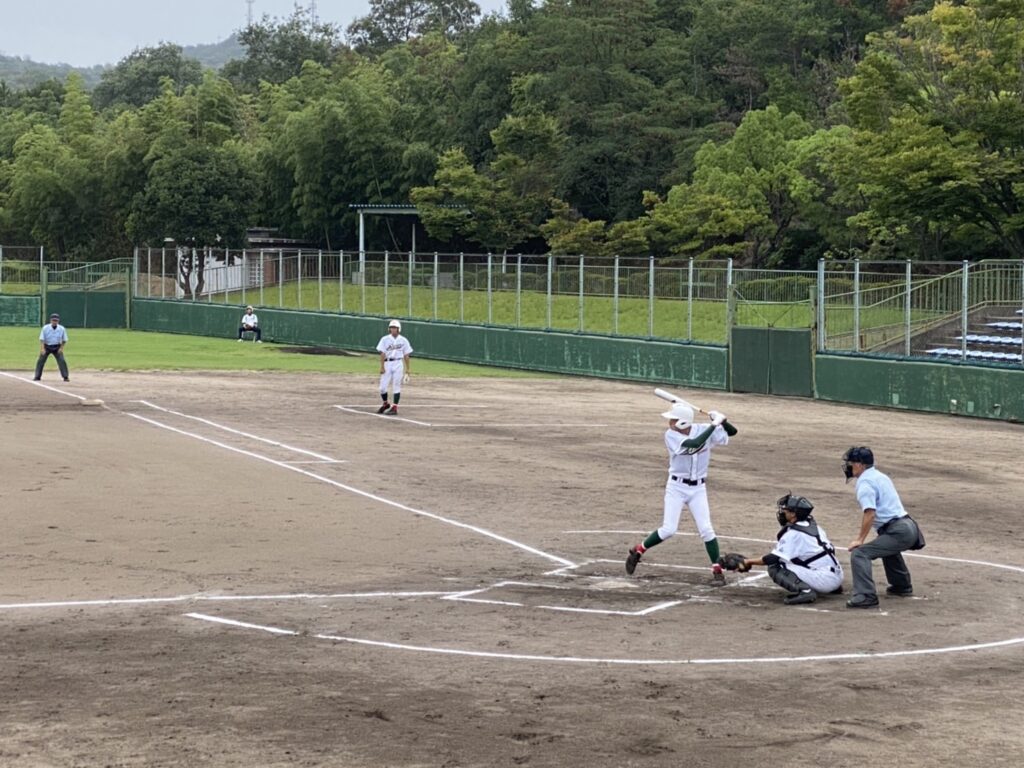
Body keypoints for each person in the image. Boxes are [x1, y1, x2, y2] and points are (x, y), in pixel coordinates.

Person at [625, 402, 737, 585]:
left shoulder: (702, 428)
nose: (669, 422)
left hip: (698, 489)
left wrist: (723, 421)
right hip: (676, 487)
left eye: (673, 420)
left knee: (707, 530)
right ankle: (638, 550)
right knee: (668, 529)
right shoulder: (670, 435)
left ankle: (717, 571)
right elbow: (693, 445)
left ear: (684, 422)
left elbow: (732, 433)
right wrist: (714, 425)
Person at [729, 494, 843, 605]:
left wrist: (748, 561)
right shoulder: (813, 526)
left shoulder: (794, 534)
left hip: (824, 580)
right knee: (798, 558)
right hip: (836, 576)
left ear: (793, 514)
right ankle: (833, 587)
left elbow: (773, 558)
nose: (782, 512)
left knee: (776, 566)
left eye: (785, 510)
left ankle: (805, 592)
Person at [842, 446, 920, 609]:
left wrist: (860, 540)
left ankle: (865, 596)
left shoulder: (865, 483)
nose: (848, 466)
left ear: (860, 465)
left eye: (851, 463)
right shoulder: (879, 476)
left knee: (860, 554)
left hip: (899, 530)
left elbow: (869, 513)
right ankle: (901, 586)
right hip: (909, 526)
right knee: (885, 544)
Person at [375, 319, 413, 415]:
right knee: (382, 387)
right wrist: (382, 366)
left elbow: (406, 355)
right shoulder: (384, 339)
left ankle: (395, 407)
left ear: (399, 329)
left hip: (398, 363)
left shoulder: (403, 340)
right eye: (391, 328)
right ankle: (385, 404)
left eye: (395, 328)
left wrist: (408, 369)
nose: (393, 329)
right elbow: (382, 354)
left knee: (396, 385)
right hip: (387, 363)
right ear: (389, 329)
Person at [34, 313, 70, 382]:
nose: (54, 322)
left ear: (58, 321)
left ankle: (65, 376)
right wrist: (42, 348)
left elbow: (64, 340)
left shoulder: (61, 328)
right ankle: (37, 376)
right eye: (53, 320)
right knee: (41, 361)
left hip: (57, 347)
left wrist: (61, 348)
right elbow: (42, 339)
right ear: (50, 320)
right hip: (46, 346)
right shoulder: (45, 328)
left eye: (56, 320)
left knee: (62, 361)